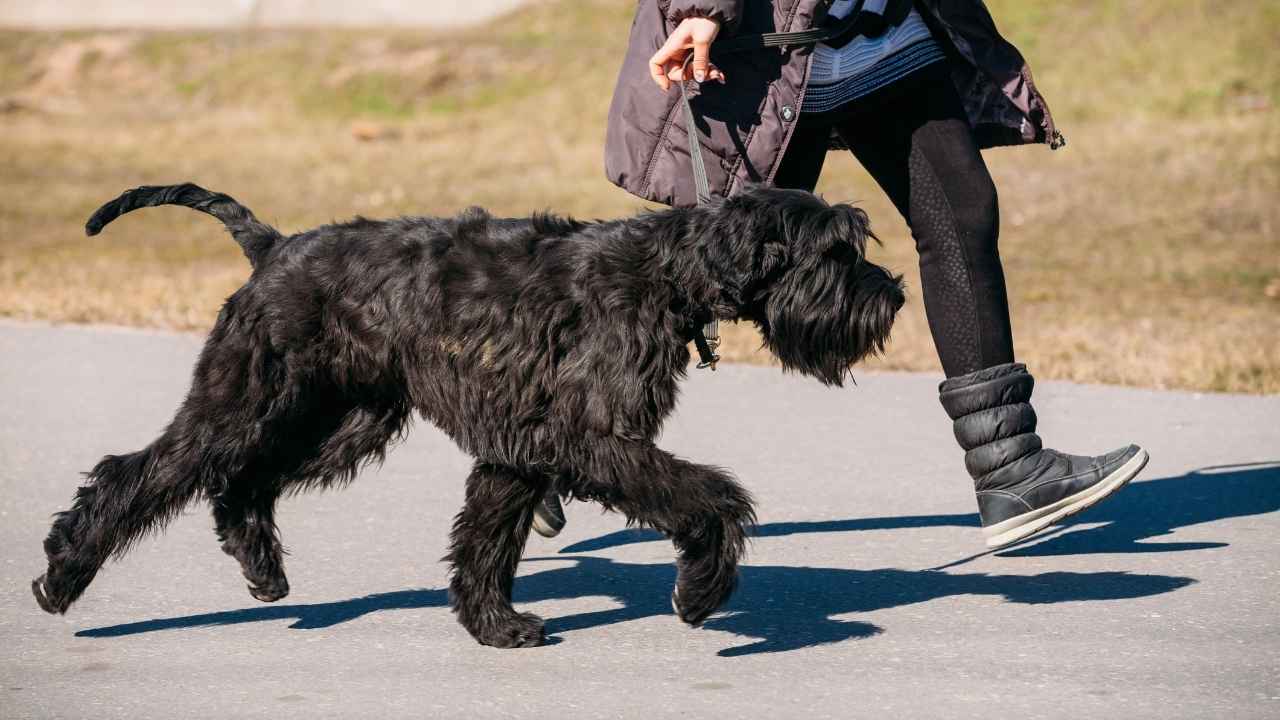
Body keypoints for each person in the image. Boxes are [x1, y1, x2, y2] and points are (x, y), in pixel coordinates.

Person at [533, 0, 1148, 549]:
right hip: (771, 52)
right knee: (702, 279)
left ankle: (1009, 464)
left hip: (884, 40)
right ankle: (549, 445)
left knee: (962, 214)